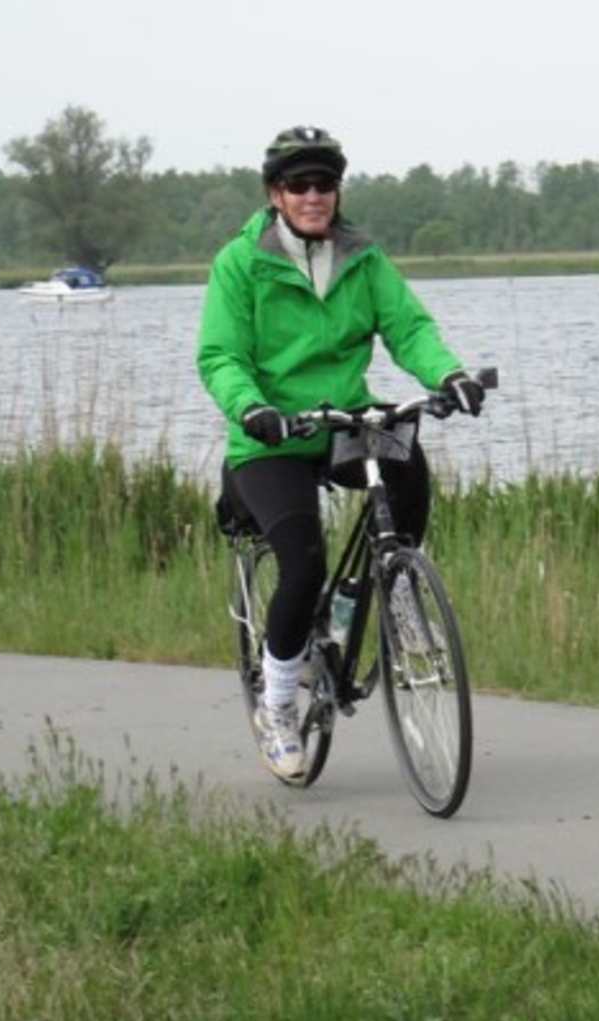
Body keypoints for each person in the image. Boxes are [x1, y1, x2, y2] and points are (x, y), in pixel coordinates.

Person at [197, 125, 490, 780]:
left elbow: (408, 327)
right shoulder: (240, 264)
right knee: (302, 554)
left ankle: (378, 595)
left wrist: (448, 375)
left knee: (408, 466)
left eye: (324, 183)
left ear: (337, 190)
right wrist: (252, 407)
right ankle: (276, 707)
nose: (313, 195)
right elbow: (220, 356)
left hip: (342, 419)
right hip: (268, 436)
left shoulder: (363, 256)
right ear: (275, 193)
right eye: (298, 184)